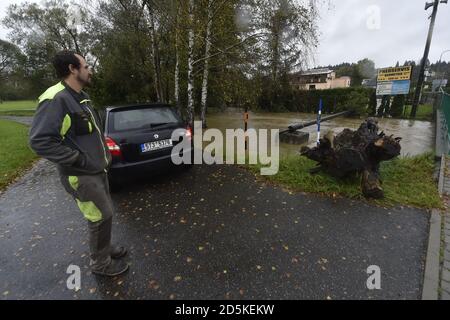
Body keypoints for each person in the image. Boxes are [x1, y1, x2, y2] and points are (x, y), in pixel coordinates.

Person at [29, 50, 129, 277]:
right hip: (81, 174)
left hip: (96, 170)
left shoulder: (80, 96)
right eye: (86, 66)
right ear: (72, 69)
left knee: (105, 214)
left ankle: (105, 248)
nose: (90, 69)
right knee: (100, 216)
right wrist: (77, 159)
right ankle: (100, 264)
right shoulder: (56, 99)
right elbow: (40, 141)